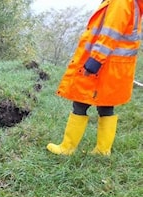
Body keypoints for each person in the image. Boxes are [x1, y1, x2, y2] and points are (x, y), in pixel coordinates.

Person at [47, 0, 143, 156]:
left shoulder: (120, 2)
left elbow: (110, 33)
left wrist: (95, 60)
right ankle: (103, 150)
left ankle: (67, 148)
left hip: (104, 65)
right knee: (105, 105)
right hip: (114, 66)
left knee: (80, 101)